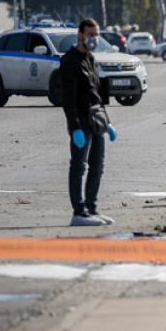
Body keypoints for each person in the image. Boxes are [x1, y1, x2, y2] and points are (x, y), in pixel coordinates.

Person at [61, 18, 118, 226]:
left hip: (96, 120)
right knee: (78, 166)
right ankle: (79, 212)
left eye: (97, 34)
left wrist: (108, 123)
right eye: (90, 35)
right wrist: (74, 127)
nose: (94, 38)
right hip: (81, 122)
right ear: (80, 35)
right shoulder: (70, 60)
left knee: (97, 166)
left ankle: (92, 209)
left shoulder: (91, 59)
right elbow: (68, 99)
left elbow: (96, 94)